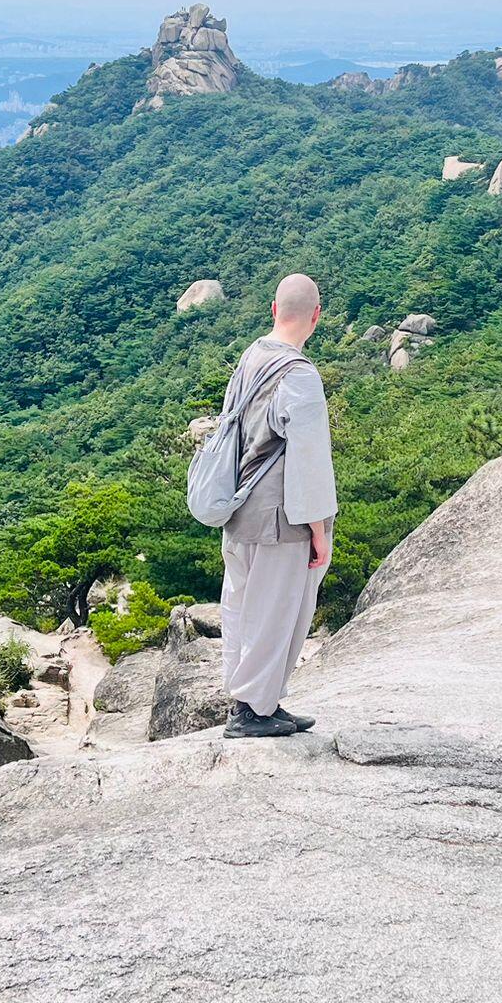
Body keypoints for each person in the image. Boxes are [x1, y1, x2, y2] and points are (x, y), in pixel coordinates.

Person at [217, 272, 335, 738]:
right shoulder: (300, 375)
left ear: (273, 310)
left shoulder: (252, 358)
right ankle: (253, 712)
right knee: (276, 612)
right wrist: (319, 531)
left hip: (240, 509)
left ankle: (253, 702)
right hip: (281, 518)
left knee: (242, 609)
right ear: (316, 316)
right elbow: (309, 461)